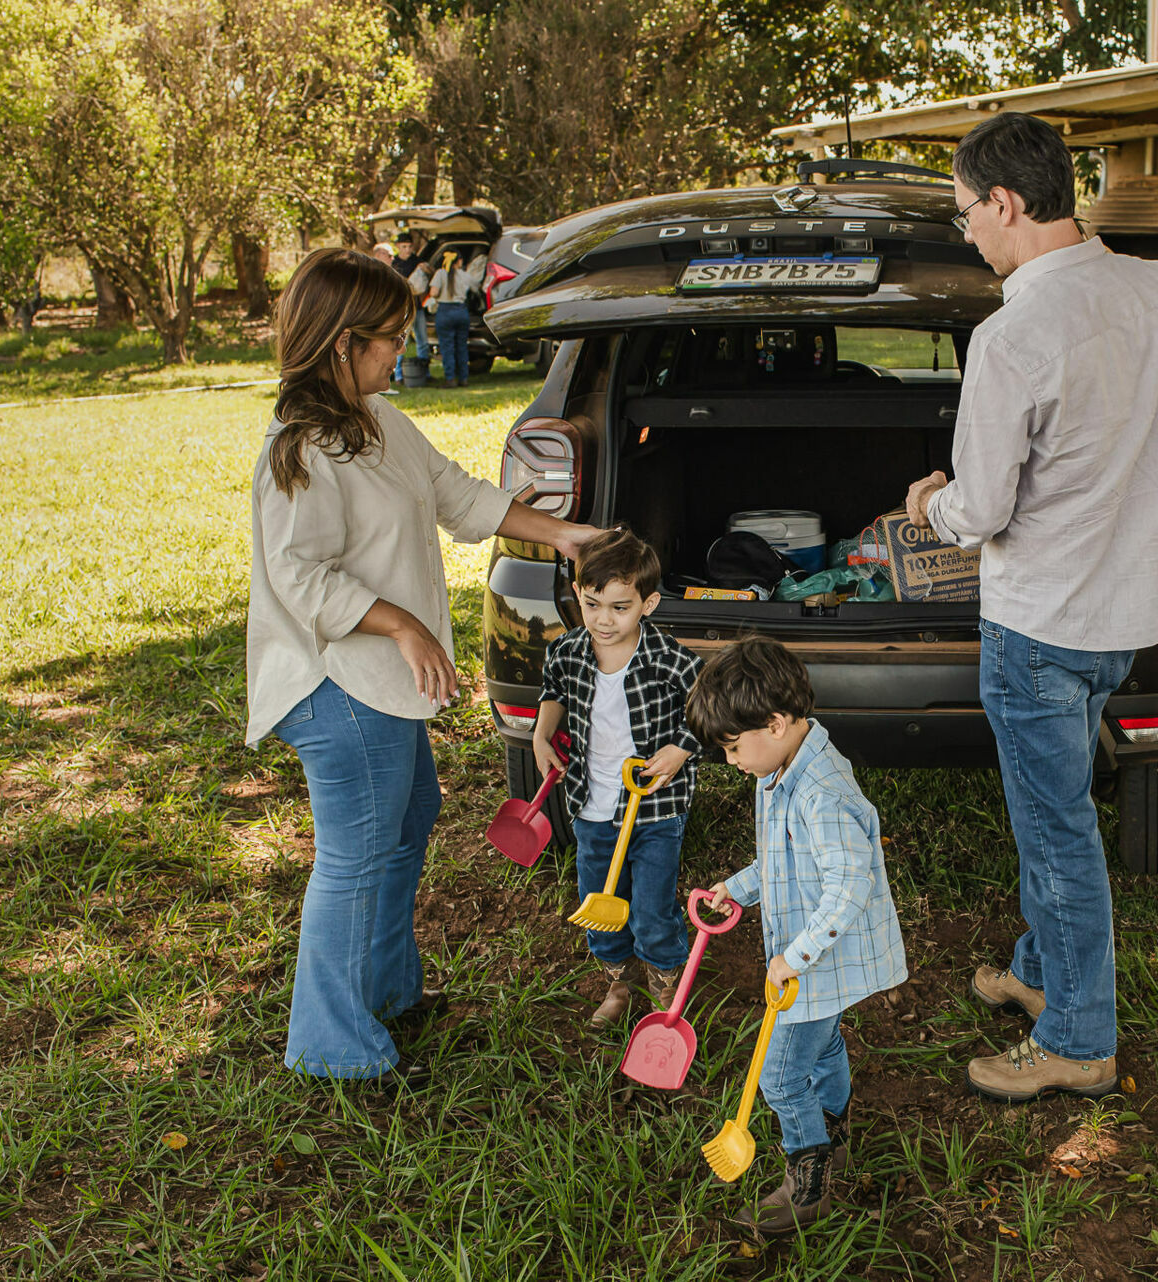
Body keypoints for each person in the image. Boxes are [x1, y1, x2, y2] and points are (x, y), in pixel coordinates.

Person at [904, 113, 1158, 1104]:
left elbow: (984, 509)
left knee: (1054, 833)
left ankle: (1081, 1041)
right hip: (1132, 615)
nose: (968, 233)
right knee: (1055, 816)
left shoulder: (1014, 335)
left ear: (1005, 202)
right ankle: (1041, 975)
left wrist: (930, 503)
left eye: (968, 214)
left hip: (1040, 625)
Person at [246, 247, 595, 1091]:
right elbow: (300, 576)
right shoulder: (301, 451)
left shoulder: (377, 420)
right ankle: (331, 1045)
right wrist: (402, 625)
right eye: (388, 338)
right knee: (357, 855)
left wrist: (567, 537)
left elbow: (456, 493)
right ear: (340, 343)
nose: (402, 350)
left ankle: (388, 994)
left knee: (407, 823)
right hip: (335, 683)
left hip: (377, 684)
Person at [693, 638, 907, 1238]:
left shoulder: (820, 793)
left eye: (735, 747)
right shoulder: (780, 770)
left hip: (818, 959)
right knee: (825, 1046)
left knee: (781, 1076)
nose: (732, 761)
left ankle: (808, 1182)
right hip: (813, 957)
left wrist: (794, 957)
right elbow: (778, 865)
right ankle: (836, 1138)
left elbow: (848, 886)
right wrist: (734, 889)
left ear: (776, 722)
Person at [531, 528, 703, 1026]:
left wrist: (680, 749)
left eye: (620, 607)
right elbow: (554, 691)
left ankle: (665, 990)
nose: (603, 621)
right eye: (591, 604)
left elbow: (708, 711)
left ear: (648, 604)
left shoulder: (670, 659)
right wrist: (543, 736)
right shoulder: (567, 652)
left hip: (654, 809)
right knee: (598, 903)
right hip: (592, 805)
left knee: (650, 909)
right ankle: (618, 984)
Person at [428, 250, 473, 386]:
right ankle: (463, 378)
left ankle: (450, 378)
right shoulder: (465, 275)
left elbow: (433, 292)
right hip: (461, 311)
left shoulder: (440, 273)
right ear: (459, 262)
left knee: (447, 347)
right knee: (462, 346)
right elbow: (476, 288)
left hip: (445, 312)